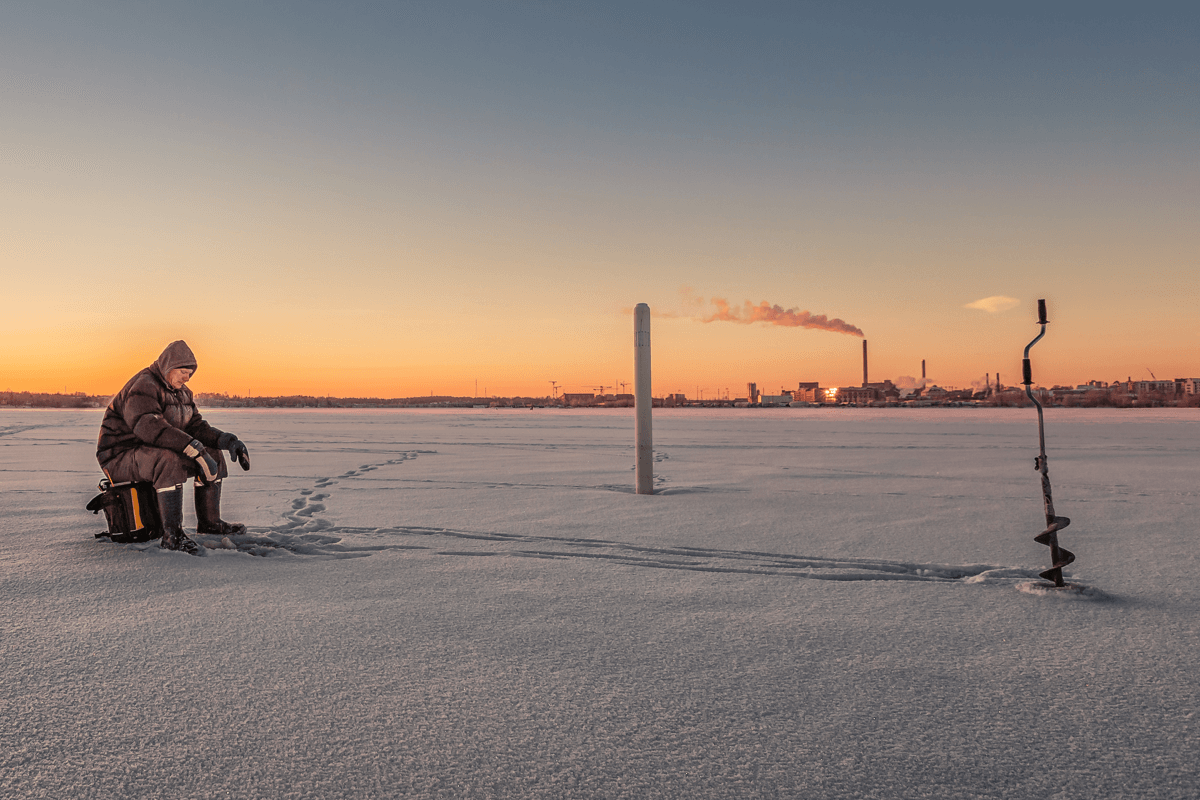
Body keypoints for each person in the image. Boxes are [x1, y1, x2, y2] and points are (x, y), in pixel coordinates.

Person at [96, 340, 250, 555]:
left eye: (190, 373)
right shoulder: (143, 386)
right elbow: (147, 426)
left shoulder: (183, 393)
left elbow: (196, 426)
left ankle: (210, 523)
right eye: (183, 372)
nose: (187, 378)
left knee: (212, 453)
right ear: (168, 367)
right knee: (167, 459)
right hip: (119, 454)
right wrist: (191, 447)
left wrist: (227, 440)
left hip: (148, 450)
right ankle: (172, 535)